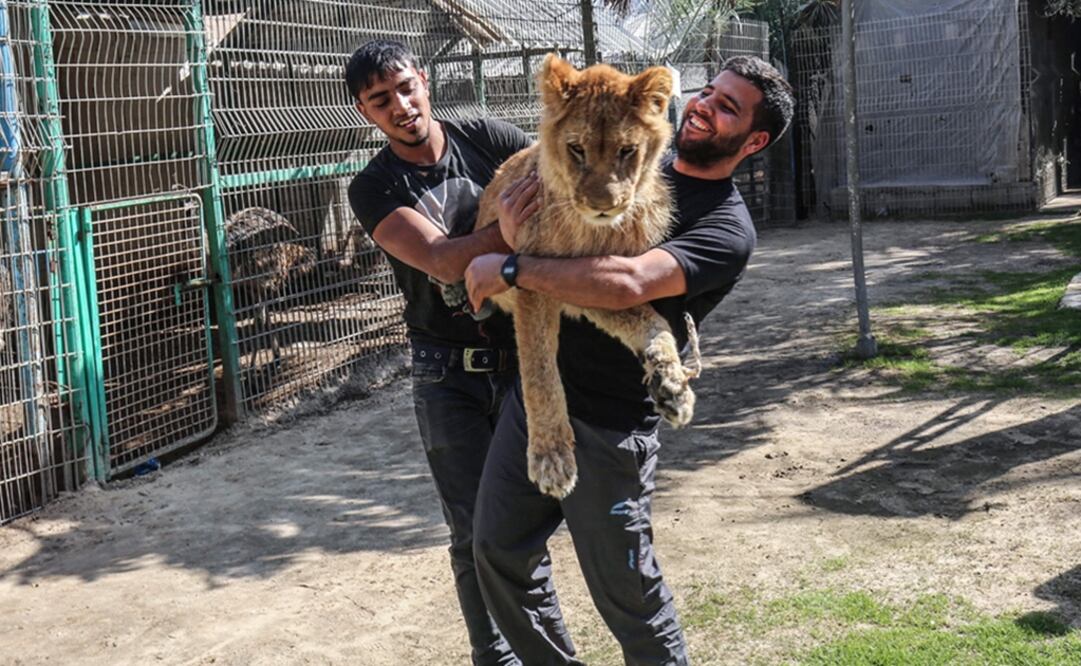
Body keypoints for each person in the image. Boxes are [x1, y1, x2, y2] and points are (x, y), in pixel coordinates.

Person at [463, 56, 795, 665]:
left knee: (629, 599)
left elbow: (623, 286)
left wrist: (510, 264)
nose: (703, 106)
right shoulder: (635, 141)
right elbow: (563, 157)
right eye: (708, 93)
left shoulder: (725, 226)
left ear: (754, 141)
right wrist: (508, 226)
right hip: (538, 405)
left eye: (727, 107)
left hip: (612, 424)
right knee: (497, 553)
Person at [345, 39, 533, 666]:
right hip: (444, 372)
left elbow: (557, 176)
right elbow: (441, 260)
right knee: (472, 531)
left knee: (523, 526)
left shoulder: (482, 133)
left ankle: (539, 649)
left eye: (405, 87)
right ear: (365, 112)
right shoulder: (373, 186)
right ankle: (495, 656)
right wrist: (515, 227)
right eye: (380, 100)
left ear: (424, 81)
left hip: (523, 356)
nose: (400, 105)